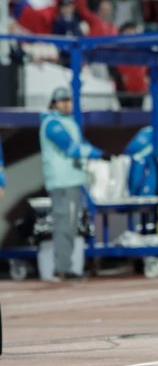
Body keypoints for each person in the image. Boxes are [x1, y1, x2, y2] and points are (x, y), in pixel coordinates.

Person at [39, 86, 106, 281]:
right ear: (53, 103)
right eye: (62, 101)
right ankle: (62, 268)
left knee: (70, 224)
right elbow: (71, 148)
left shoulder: (69, 122)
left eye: (69, 100)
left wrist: (97, 153)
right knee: (64, 225)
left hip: (72, 180)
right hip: (62, 182)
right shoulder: (52, 123)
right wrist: (99, 154)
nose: (66, 104)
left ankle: (64, 267)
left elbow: (81, 145)